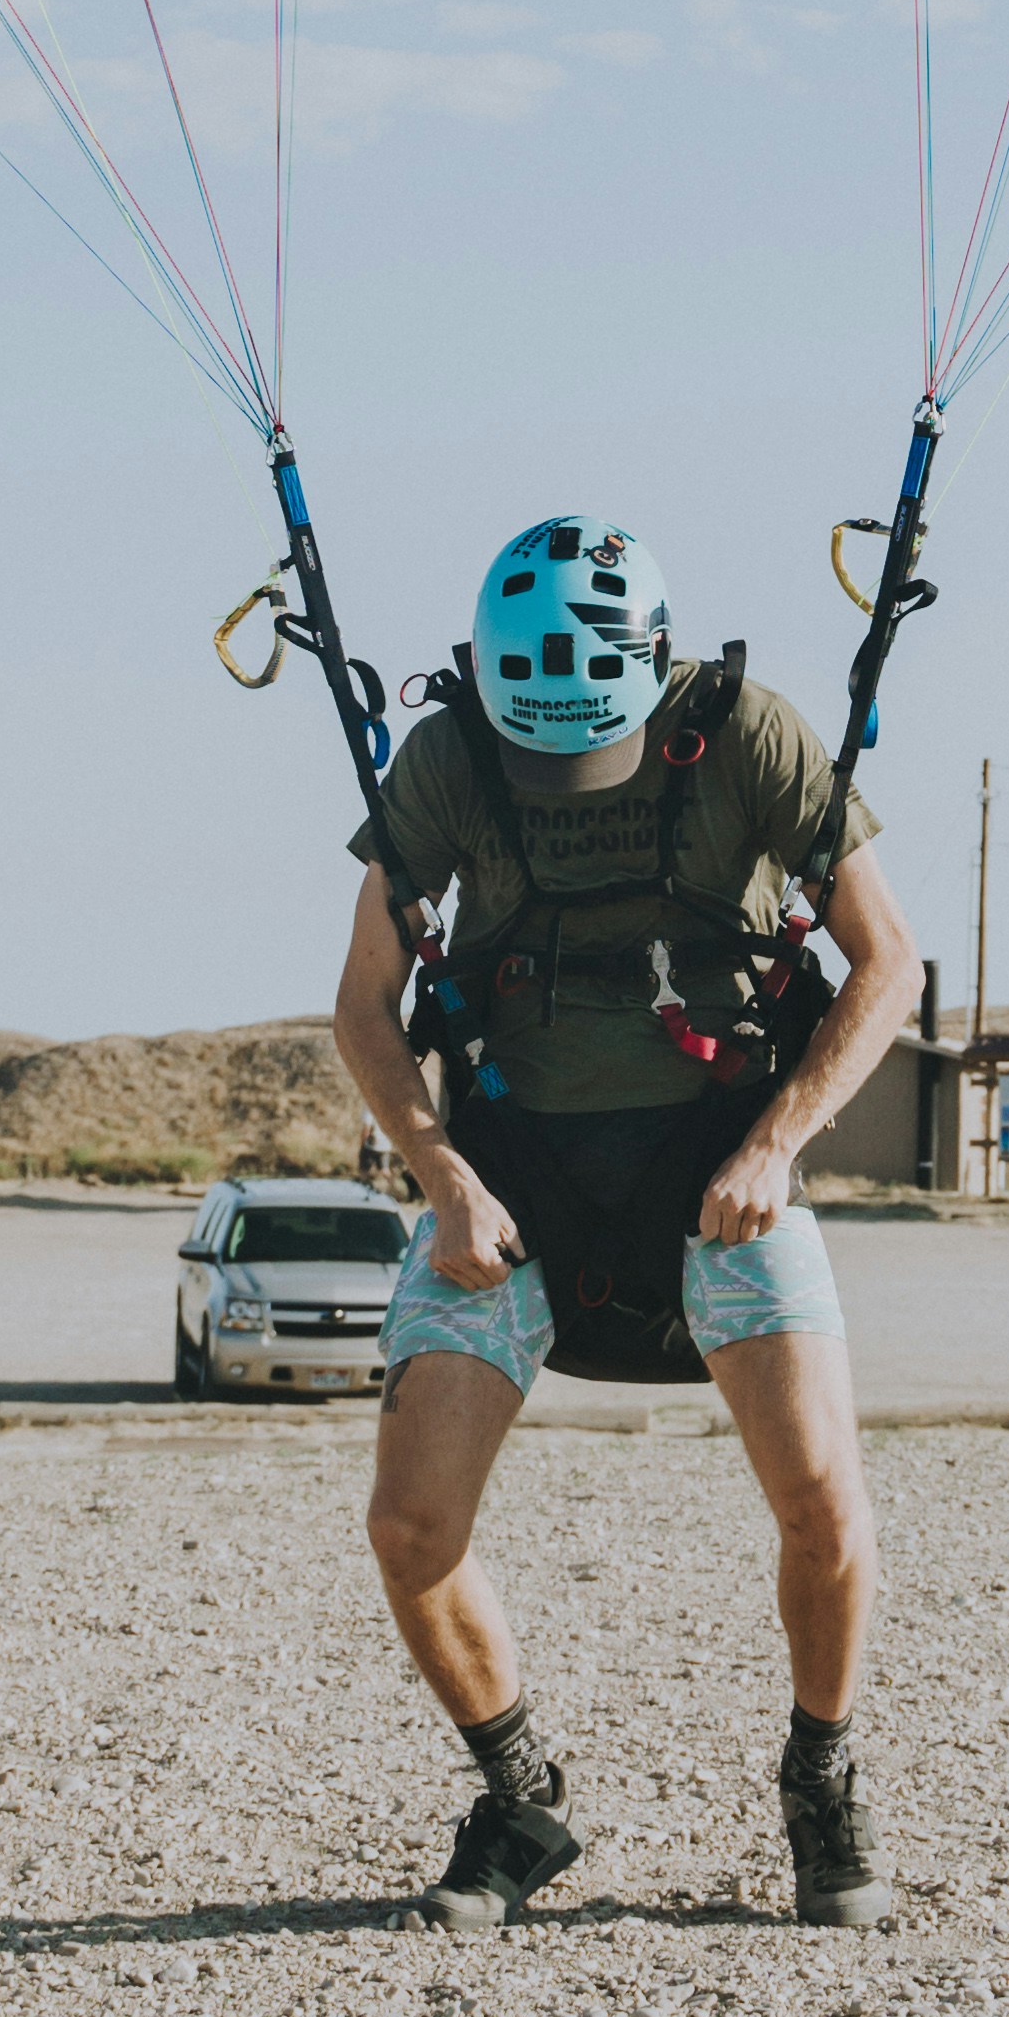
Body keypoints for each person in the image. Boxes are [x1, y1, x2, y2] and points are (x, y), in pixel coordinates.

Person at [328, 510, 922, 1930]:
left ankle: (821, 1778)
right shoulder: (453, 757)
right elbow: (361, 1001)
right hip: (509, 1169)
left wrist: (777, 1142)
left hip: (718, 1168)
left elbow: (886, 961)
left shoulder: (746, 734)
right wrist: (441, 1176)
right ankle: (521, 1795)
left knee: (823, 1503)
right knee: (409, 1526)